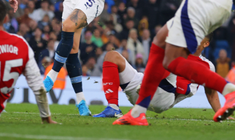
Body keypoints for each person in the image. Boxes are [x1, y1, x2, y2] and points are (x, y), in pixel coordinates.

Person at [95, 34, 223, 118]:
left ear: (206, 43)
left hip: (164, 96)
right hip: (141, 86)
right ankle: (113, 108)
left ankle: (148, 84)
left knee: (173, 56)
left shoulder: (207, 66)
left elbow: (211, 94)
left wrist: (221, 113)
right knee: (111, 56)